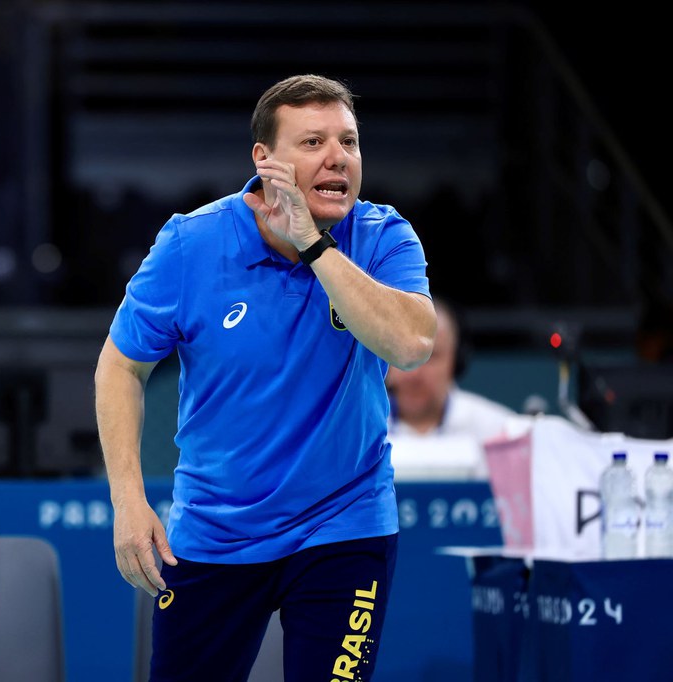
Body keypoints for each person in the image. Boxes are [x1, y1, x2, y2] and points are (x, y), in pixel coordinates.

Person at [94, 74, 436, 682]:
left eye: (349, 142)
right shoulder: (190, 244)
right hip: (216, 529)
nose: (338, 157)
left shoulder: (382, 236)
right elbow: (121, 365)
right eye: (312, 143)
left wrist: (312, 243)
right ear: (265, 160)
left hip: (345, 525)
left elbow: (410, 345)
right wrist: (127, 498)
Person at [386, 298, 517, 478]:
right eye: (403, 353)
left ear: (456, 361)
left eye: (430, 357)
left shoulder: (503, 433)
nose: (414, 373)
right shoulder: (355, 431)